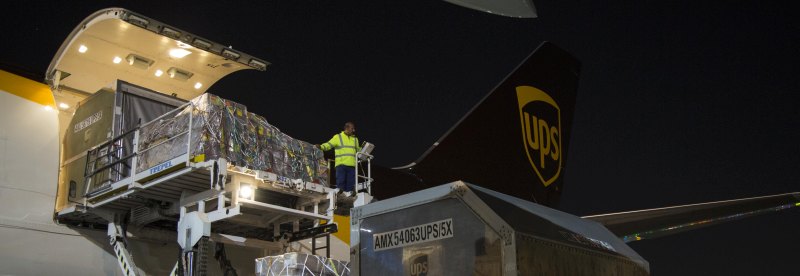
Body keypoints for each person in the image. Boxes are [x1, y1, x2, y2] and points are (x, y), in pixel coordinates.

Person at [317, 122, 360, 194]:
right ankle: (340, 196)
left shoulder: (355, 139)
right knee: (341, 184)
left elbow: (358, 150)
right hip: (341, 164)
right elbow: (329, 144)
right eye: (352, 128)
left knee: (350, 185)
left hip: (352, 165)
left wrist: (366, 149)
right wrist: (321, 147)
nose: (354, 130)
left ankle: (349, 196)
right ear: (347, 128)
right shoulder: (338, 137)